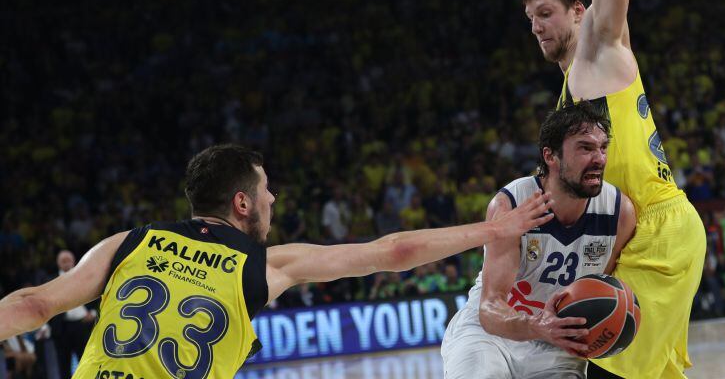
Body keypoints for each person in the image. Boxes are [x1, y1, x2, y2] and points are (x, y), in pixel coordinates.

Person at [0, 144, 555, 379]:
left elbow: (32, 304)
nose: (273, 200)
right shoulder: (268, 263)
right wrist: (494, 227)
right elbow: (393, 252)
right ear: (241, 202)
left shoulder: (128, 242)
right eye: (266, 190)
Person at [522, 0, 707, 377]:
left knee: (597, 365)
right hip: (629, 236)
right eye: (531, 18)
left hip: (657, 234)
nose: (536, 26)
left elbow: (609, 7)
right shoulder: (571, 86)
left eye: (545, 13)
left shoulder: (600, 55)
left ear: (578, 11)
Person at [442, 102, 636, 378]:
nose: (600, 159)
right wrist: (537, 325)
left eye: (602, 147)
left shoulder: (619, 213)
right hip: (492, 334)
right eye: (585, 148)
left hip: (554, 343)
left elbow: (597, 290)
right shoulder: (512, 204)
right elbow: (490, 308)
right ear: (551, 156)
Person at [49, 250, 97, 378]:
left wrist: (92, 312)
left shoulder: (84, 276)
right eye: (63, 261)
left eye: (68, 260)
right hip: (62, 327)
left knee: (86, 360)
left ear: (74, 261)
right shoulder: (50, 281)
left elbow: (96, 295)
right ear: (58, 263)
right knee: (63, 363)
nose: (66, 264)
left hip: (82, 324)